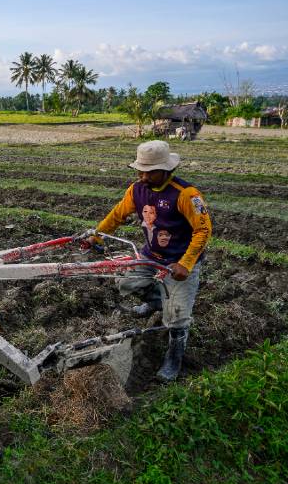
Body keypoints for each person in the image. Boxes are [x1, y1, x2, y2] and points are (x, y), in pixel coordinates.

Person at [91, 140, 212, 381]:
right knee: (127, 283)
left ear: (167, 169)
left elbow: (204, 231)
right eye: (140, 170)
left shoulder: (186, 194)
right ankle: (156, 301)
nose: (143, 176)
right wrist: (98, 235)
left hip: (179, 262)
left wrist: (186, 264)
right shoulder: (136, 189)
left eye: (149, 171)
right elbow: (118, 214)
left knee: (177, 317)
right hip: (150, 255)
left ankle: (173, 360)